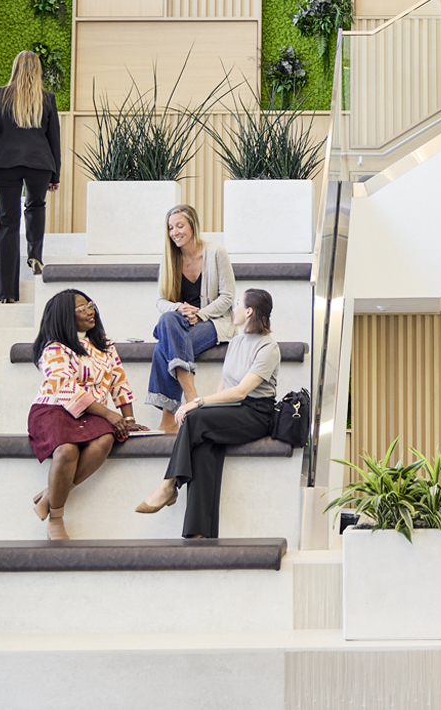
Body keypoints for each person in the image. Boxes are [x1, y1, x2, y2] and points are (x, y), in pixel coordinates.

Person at [135, 288, 280, 539]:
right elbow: (224, 386)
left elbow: (241, 392)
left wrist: (197, 402)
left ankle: (169, 485)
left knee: (194, 418)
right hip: (233, 410)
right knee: (201, 445)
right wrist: (207, 405)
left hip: (256, 414)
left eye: (237, 304)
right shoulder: (235, 341)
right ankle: (199, 534)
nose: (233, 309)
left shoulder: (269, 348)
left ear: (249, 311)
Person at [27, 290, 146, 540]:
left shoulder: (103, 343)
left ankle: (50, 495)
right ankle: (56, 518)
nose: (90, 310)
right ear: (64, 316)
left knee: (106, 439)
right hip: (53, 409)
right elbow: (65, 389)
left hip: (91, 412)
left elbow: (118, 380)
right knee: (67, 451)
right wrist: (109, 415)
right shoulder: (54, 348)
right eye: (82, 308)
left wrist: (128, 418)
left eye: (90, 305)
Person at [0, 51, 61, 303]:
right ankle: (35, 253)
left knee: (8, 222)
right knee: (35, 207)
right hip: (39, 163)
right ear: (37, 70)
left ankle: (7, 293)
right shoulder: (47, 99)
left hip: (5, 163)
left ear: (14, 68)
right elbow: (53, 138)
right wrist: (54, 173)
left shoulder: (0, 95)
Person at [148, 205, 235, 433]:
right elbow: (161, 301)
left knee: (162, 348)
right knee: (167, 319)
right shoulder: (170, 259)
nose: (175, 232)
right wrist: (179, 308)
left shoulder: (216, 253)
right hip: (181, 323)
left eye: (180, 226)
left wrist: (201, 313)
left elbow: (228, 297)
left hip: (214, 322)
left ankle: (169, 420)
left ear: (192, 226)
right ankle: (191, 396)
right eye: (170, 227)